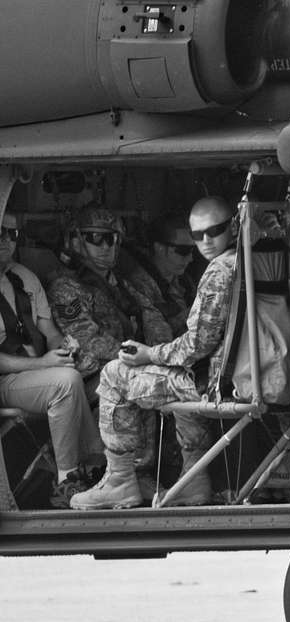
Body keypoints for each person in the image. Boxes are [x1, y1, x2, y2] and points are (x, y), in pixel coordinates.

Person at [68, 196, 243, 510]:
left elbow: (195, 345)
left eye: (213, 231)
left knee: (113, 375)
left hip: (210, 379)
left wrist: (151, 355)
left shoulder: (219, 271)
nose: (203, 242)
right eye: (196, 235)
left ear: (232, 227)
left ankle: (120, 482)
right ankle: (195, 480)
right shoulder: (247, 262)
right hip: (233, 374)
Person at [0, 213, 104, 507]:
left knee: (98, 378)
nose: (7, 241)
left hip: (36, 373)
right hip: (6, 380)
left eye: (12, 234)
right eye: (0, 233)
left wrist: (63, 348)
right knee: (65, 382)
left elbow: (48, 331)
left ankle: (97, 468)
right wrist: (44, 364)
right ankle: (68, 480)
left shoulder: (22, 277)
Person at [47, 205, 174, 380]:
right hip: (100, 374)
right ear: (76, 242)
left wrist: (159, 352)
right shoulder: (66, 288)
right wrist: (138, 358)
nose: (106, 246)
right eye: (95, 238)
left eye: (111, 238)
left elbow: (150, 313)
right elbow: (87, 338)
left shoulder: (119, 283)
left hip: (132, 366)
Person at [121, 214, 197, 337]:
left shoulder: (183, 280)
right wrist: (191, 314)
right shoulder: (139, 286)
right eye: (183, 251)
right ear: (159, 248)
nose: (190, 258)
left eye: (193, 250)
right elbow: (154, 337)